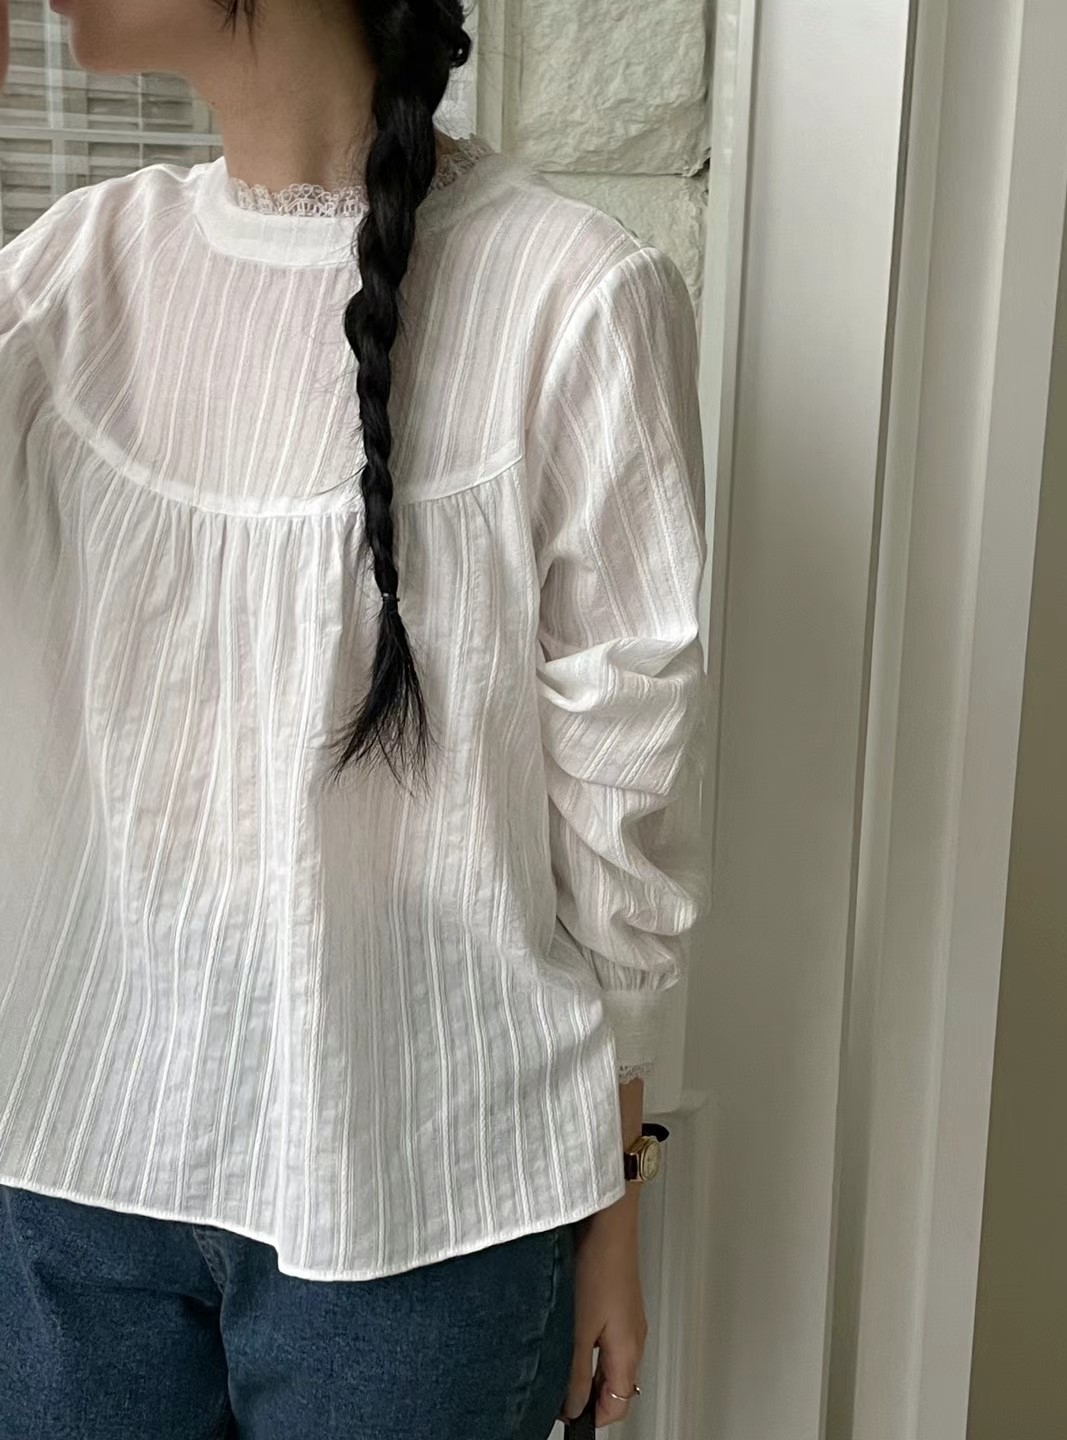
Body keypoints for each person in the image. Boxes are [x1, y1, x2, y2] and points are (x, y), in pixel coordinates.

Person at [0, 0, 709, 1434]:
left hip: (431, 1201)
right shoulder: (69, 276)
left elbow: (617, 791)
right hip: (74, 1161)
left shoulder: (574, 297)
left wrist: (612, 1194)